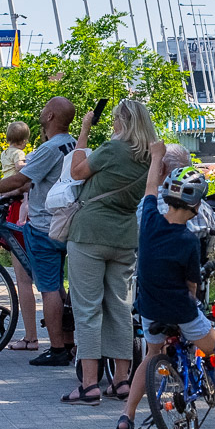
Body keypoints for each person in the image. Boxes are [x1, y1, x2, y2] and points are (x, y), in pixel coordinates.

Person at [112, 144, 215, 429]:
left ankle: (126, 416)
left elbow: (148, 188)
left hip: (148, 306)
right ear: (196, 205)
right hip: (180, 309)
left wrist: (156, 157)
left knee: (152, 353)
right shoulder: (188, 240)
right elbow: (191, 289)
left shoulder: (148, 221)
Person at [0, 97, 77, 366]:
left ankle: (57, 348)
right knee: (61, 289)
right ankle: (69, 342)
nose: (40, 111)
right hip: (68, 222)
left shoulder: (49, 148)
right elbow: (40, 182)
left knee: (49, 289)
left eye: (44, 107)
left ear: (50, 116)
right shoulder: (72, 143)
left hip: (45, 226)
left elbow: (21, 178)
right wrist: (16, 192)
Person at [63, 99, 155, 403]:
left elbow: (77, 171)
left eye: (116, 119)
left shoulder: (113, 148)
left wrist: (84, 131)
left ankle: (89, 384)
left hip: (89, 233)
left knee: (88, 308)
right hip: (126, 235)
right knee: (120, 307)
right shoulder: (150, 157)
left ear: (123, 122)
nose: (113, 124)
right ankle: (121, 381)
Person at [0, 121, 39, 352]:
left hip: (14, 208)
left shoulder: (6, 152)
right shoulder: (22, 154)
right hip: (24, 207)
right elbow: (24, 172)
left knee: (23, 278)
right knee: (43, 278)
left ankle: (31, 337)